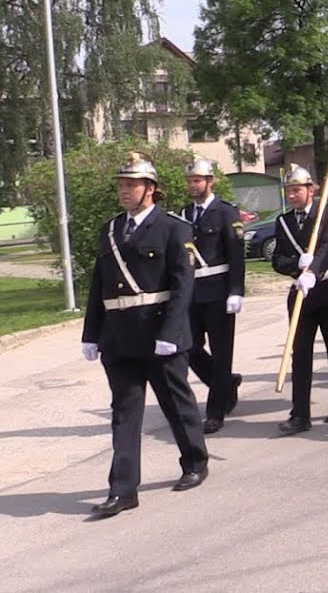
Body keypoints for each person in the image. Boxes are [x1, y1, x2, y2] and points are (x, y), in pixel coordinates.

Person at [81, 152, 208, 518]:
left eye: (131, 184)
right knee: (124, 413)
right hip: (119, 338)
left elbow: (183, 285)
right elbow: (98, 286)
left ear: (150, 189)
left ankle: (195, 461)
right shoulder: (110, 229)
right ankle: (123, 490)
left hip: (159, 333)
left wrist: (170, 332)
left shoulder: (174, 228)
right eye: (121, 184)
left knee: (175, 403)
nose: (123, 190)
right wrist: (91, 333)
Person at [272, 165, 328, 435]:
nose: (292, 195)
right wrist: (297, 264)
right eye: (289, 191)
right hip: (301, 293)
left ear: (310, 190)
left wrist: (314, 270)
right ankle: (300, 414)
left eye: (297, 189)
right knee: (300, 354)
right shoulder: (283, 222)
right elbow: (278, 259)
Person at [179, 158, 246, 435]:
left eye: (198, 180)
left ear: (210, 181)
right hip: (192, 294)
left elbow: (236, 254)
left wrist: (236, 290)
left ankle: (215, 411)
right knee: (190, 348)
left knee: (221, 353)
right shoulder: (184, 213)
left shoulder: (226, 213)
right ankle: (226, 384)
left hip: (219, 291)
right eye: (190, 181)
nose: (193, 185)